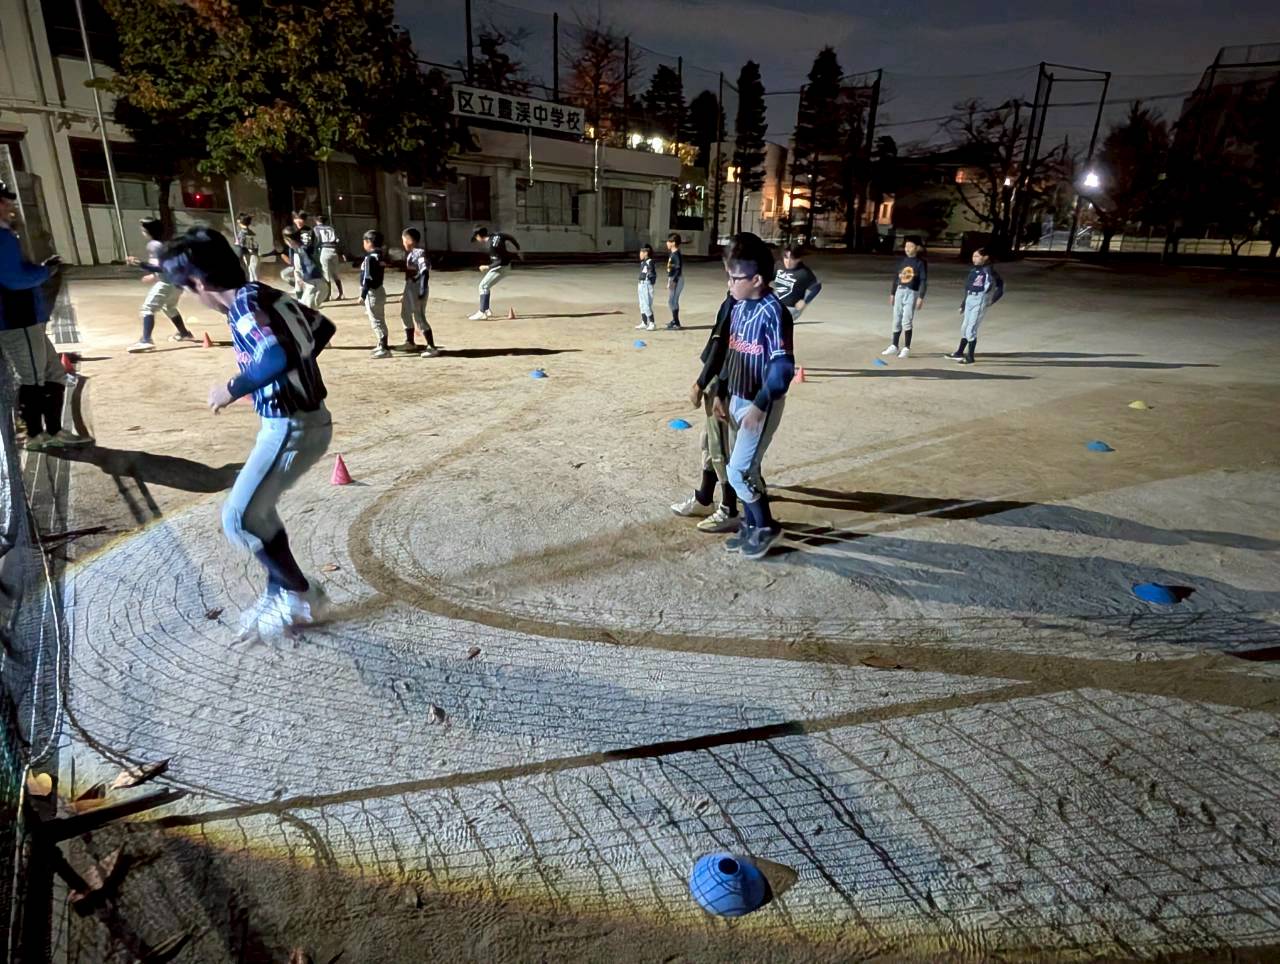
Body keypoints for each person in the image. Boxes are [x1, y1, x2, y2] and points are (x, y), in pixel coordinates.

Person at [158, 226, 335, 642]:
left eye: (187, 289)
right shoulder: (265, 294)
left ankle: (300, 595)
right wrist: (292, 371)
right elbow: (321, 327)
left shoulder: (242, 307)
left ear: (199, 283)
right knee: (259, 513)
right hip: (301, 421)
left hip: (292, 426)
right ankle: (281, 590)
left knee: (238, 519)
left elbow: (275, 354)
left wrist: (233, 387)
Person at [714, 232, 794, 560]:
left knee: (739, 472)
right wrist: (721, 392)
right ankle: (750, 525)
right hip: (737, 397)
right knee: (744, 467)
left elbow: (782, 367)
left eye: (735, 278)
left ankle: (766, 526)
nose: (730, 284)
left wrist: (760, 406)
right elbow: (731, 354)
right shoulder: (739, 307)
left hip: (759, 403)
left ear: (757, 279)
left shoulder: (774, 312)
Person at [0, 181, 91, 450]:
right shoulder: (2, 237)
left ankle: (53, 430)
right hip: (16, 318)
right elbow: (13, 279)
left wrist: (41, 269)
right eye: (4, 201)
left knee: (53, 371)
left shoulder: (7, 234)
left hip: (25, 316)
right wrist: (45, 271)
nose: (9, 205)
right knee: (32, 376)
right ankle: (34, 435)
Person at [670, 292, 739, 533]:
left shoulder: (737, 302)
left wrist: (702, 384)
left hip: (724, 383)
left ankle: (729, 508)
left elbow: (723, 348)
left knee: (721, 448)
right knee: (709, 442)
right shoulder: (741, 298)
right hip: (723, 381)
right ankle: (705, 497)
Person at [126, 218, 195, 353]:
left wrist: (140, 264)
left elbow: (163, 267)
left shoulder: (154, 245)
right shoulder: (163, 244)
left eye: (143, 229)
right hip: (176, 283)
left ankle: (146, 340)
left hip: (167, 283)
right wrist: (153, 275)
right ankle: (184, 333)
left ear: (147, 231)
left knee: (147, 308)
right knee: (169, 307)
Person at [949, 247, 1004, 365]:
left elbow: (1000, 285)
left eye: (977, 256)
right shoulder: (973, 271)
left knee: (971, 328)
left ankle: (970, 357)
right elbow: (967, 288)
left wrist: (993, 299)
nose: (974, 258)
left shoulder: (988, 271)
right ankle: (959, 352)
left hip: (979, 299)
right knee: (964, 327)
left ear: (985, 257)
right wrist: (963, 304)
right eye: (973, 256)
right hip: (970, 298)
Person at [882, 235, 927, 359]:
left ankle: (906, 347)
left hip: (911, 292)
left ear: (917, 248)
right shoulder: (902, 261)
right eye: (906, 246)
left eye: (910, 246)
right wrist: (892, 293)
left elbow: (923, 280)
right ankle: (894, 345)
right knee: (896, 319)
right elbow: (896, 278)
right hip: (899, 291)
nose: (907, 249)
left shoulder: (920, 263)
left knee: (907, 320)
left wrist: (921, 297)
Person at [398, 227, 439, 355]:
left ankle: (431, 347)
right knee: (405, 313)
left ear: (409, 240)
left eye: (403, 240)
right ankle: (410, 342)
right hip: (410, 287)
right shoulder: (411, 253)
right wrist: (405, 292)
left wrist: (422, 289)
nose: (403, 243)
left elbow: (424, 271)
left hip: (417, 287)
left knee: (419, 316)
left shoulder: (419, 253)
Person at [469, 226, 520, 320]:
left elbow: (499, 261)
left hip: (501, 267)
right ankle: (486, 310)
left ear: (479, 236)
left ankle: (482, 312)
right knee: (486, 286)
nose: (477, 240)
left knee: (483, 286)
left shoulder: (491, 246)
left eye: (476, 237)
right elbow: (509, 237)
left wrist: (487, 267)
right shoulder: (497, 235)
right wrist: (517, 246)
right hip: (506, 265)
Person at [359, 230, 391, 359]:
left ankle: (384, 348)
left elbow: (367, 278)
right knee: (380, 319)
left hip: (372, 292)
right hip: (380, 290)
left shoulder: (369, 258)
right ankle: (381, 344)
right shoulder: (380, 256)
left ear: (369, 242)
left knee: (376, 321)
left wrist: (362, 295)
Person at [281, 225, 327, 309]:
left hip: (315, 286)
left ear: (289, 240)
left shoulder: (304, 249)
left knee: (304, 310)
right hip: (315, 285)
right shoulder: (295, 250)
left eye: (285, 240)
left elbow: (310, 265)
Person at [771, 244, 822, 318]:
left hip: (791, 308)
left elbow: (816, 287)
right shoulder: (778, 265)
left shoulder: (804, 273)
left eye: (792, 259)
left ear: (798, 259)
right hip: (777, 302)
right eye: (786, 258)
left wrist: (805, 301)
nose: (788, 262)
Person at [312, 213, 345, 299]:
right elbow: (337, 241)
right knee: (336, 274)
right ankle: (341, 293)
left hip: (324, 250)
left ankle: (328, 295)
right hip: (333, 250)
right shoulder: (331, 228)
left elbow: (317, 241)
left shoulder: (316, 229)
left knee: (326, 274)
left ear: (317, 221)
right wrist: (341, 253)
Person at [634, 243, 657, 331]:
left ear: (646, 253)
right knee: (642, 305)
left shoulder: (650, 262)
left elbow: (652, 273)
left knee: (647, 305)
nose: (639, 254)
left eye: (641, 252)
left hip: (646, 285)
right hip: (641, 284)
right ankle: (644, 322)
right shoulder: (643, 262)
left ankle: (652, 323)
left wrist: (650, 280)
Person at [664, 233, 684, 330]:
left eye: (669, 241)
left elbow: (678, 269)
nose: (667, 243)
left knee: (673, 301)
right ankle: (674, 320)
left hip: (677, 279)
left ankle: (676, 323)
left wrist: (673, 281)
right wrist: (669, 280)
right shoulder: (673, 254)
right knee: (671, 301)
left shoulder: (676, 254)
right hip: (673, 278)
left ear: (673, 243)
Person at [235, 214, 260, 282]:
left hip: (250, 254)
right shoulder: (247, 232)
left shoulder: (245, 233)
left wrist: (238, 243)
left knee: (251, 271)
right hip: (250, 254)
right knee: (251, 271)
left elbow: (247, 244)